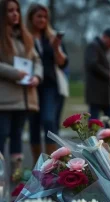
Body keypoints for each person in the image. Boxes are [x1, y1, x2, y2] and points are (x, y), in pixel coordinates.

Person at [0, 0, 42, 172]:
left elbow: (36, 60)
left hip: (24, 99)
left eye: (17, 10)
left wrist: (37, 77)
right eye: (10, 11)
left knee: (17, 138)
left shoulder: (24, 38)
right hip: (4, 100)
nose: (15, 13)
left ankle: (16, 184)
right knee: (1, 136)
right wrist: (14, 72)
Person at [26, 3, 68, 162]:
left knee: (49, 120)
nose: (42, 20)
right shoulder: (24, 37)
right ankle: (38, 165)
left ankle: (51, 163)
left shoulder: (53, 36)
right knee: (34, 125)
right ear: (31, 18)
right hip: (31, 87)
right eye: (39, 16)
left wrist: (56, 48)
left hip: (51, 86)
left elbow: (64, 63)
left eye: (45, 17)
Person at [84, 28, 110, 119]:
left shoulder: (105, 50)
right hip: (95, 91)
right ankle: (93, 133)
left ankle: (109, 133)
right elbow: (93, 64)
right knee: (94, 118)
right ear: (105, 37)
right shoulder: (93, 46)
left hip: (104, 94)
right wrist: (108, 74)